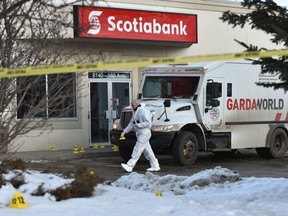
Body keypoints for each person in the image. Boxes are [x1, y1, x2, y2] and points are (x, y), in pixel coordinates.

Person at [120, 99, 160, 172]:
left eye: (133, 105)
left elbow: (148, 123)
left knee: (137, 149)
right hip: (140, 133)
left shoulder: (144, 111)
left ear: (138, 104)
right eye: (131, 105)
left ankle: (130, 165)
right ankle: (155, 165)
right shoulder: (135, 112)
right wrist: (124, 131)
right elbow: (131, 123)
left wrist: (138, 125)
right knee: (148, 151)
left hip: (144, 132)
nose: (132, 106)